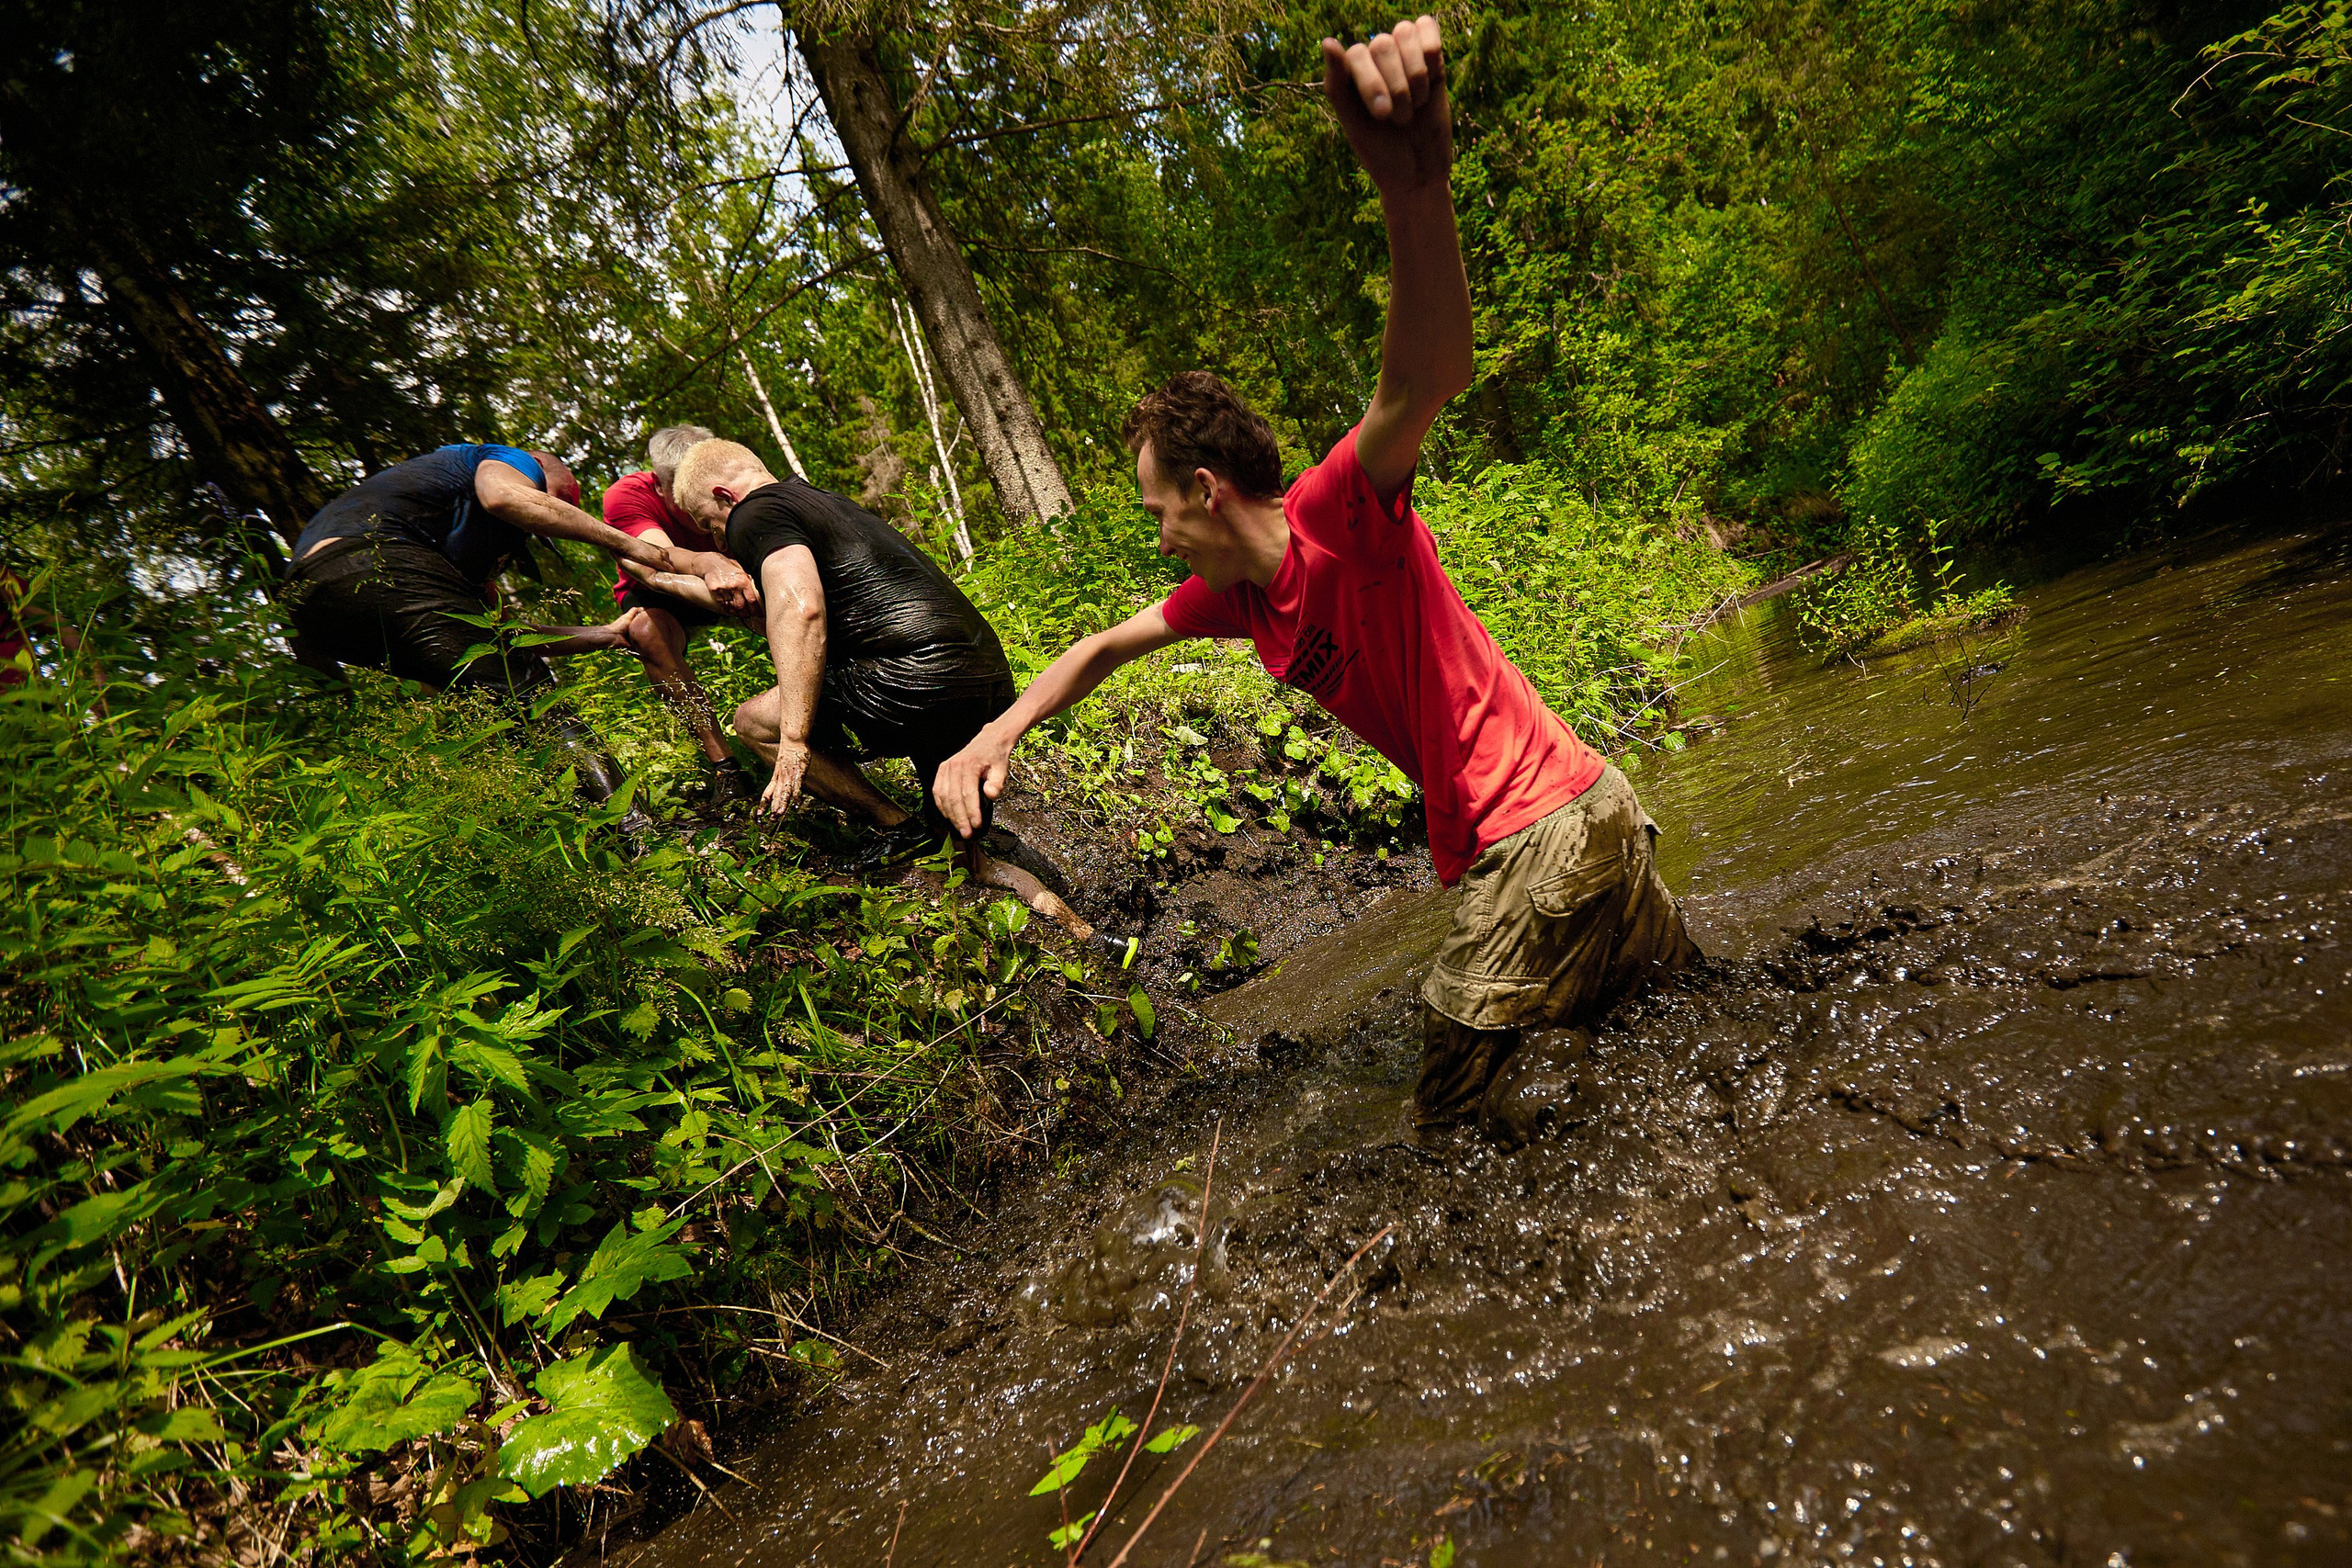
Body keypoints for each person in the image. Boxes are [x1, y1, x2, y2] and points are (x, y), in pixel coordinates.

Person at [932, 17, 1700, 1129]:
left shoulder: (1339, 513)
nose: (1158, 540)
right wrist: (993, 735)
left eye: (1157, 511)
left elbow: (1425, 375)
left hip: (1538, 836)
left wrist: (1411, 188)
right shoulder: (1236, 602)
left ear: (1205, 490)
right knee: (1693, 1036)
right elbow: (1102, 646)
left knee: (1454, 1119)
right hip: (1593, 814)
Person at [666, 437, 1094, 938]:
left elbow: (801, 608)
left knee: (753, 723)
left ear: (723, 496)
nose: (718, 541)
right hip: (983, 679)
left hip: (911, 683)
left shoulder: (752, 515)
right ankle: (1083, 932)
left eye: (708, 524)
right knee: (964, 860)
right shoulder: (821, 500)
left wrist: (795, 742)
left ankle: (897, 826)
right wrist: (662, 576)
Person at [288, 441, 755, 804]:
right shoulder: (504, 461)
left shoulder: (460, 563)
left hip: (313, 606)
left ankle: (593, 852)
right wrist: (635, 548)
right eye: (545, 508)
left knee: (500, 711)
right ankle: (641, 841)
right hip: (371, 561)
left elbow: (504, 640)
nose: (532, 531)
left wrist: (606, 635)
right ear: (541, 478)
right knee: (533, 699)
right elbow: (503, 497)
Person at [601, 423, 761, 808]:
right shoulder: (626, 496)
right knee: (645, 630)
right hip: (660, 589)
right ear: (659, 485)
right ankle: (724, 766)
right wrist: (709, 564)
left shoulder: (734, 480)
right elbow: (657, 561)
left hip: (736, 573)